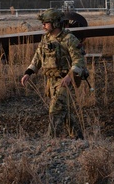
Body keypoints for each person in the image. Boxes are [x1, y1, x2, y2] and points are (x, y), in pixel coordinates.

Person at [21, 8, 88, 138]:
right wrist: (28, 72)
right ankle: (78, 138)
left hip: (64, 81)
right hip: (51, 81)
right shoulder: (46, 39)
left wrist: (70, 76)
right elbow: (38, 57)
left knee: (55, 110)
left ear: (55, 23)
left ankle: (51, 140)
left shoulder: (69, 39)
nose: (43, 26)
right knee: (66, 112)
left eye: (46, 23)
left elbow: (79, 60)